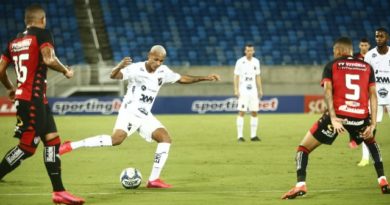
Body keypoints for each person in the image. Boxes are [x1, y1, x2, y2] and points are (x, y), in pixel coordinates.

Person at [59, 45, 220, 188]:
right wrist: (119, 66)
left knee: (165, 138)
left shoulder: (163, 72)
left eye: (161, 61)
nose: (158, 63)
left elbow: (181, 78)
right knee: (116, 140)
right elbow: (114, 76)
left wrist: (204, 77)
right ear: (149, 56)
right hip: (130, 111)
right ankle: (72, 145)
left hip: (144, 115)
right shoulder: (136, 69)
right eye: (156, 59)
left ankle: (153, 180)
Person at [281, 37, 390, 200]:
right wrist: (373, 123)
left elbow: (328, 92)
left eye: (334, 51)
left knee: (303, 149)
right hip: (360, 117)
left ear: (339, 51)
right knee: (371, 142)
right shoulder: (367, 67)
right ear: (351, 50)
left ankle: (300, 185)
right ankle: (383, 181)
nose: (334, 54)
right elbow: (373, 96)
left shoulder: (331, 65)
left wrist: (333, 118)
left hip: (338, 116)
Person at [0, 4, 85, 205]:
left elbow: (1, 70)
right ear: (42, 19)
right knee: (27, 147)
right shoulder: (42, 34)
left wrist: (11, 88)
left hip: (34, 99)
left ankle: (59, 192)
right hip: (32, 99)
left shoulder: (14, 42)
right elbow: (48, 59)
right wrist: (65, 71)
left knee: (52, 141)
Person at [358, 27, 390, 167]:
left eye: (381, 36)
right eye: (377, 36)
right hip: (375, 97)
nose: (378, 39)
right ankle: (365, 158)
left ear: (386, 37)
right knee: (369, 128)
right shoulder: (370, 55)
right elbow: (365, 77)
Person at [233, 44, 263, 142]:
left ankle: (253, 136)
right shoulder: (240, 62)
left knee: (254, 112)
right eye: (248, 50)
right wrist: (236, 89)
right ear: (245, 51)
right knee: (242, 112)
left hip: (253, 91)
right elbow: (236, 76)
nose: (249, 52)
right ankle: (239, 136)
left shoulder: (256, 62)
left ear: (253, 51)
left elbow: (258, 76)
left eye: (251, 50)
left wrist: (260, 89)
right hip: (243, 90)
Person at [348, 38, 370, 149]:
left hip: (369, 88)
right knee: (352, 113)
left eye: (366, 45)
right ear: (359, 46)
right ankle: (352, 138)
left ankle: (367, 136)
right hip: (356, 89)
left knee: (367, 114)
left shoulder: (372, 56)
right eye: (362, 45)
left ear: (369, 46)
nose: (364, 47)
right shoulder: (354, 57)